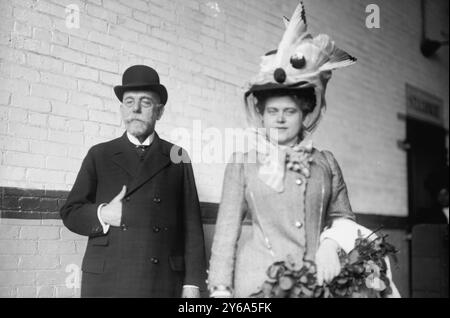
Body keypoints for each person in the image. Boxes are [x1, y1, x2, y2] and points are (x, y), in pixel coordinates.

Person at [207, 3, 399, 298]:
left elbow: (344, 220)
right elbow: (225, 235)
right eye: (272, 111)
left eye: (289, 111)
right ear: (261, 115)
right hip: (260, 287)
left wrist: (330, 245)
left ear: (305, 113)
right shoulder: (242, 163)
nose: (280, 119)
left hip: (319, 285)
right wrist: (221, 291)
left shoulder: (326, 163)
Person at [60, 65, 207, 298]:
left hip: (160, 280)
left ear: (159, 112)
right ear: (121, 109)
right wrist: (103, 214)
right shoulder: (99, 154)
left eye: (146, 102)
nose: (136, 109)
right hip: (108, 280)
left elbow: (192, 227)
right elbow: (70, 212)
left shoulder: (177, 156)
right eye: (129, 102)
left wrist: (192, 283)